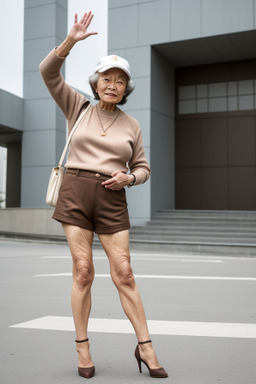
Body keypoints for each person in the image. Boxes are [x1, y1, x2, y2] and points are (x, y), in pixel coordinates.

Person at [39, 11, 168, 380]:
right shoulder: (77, 107)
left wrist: (129, 177)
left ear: (126, 89)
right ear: (95, 83)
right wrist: (71, 41)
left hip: (113, 198)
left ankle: (145, 346)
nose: (112, 84)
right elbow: (48, 72)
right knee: (83, 272)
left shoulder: (132, 125)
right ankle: (83, 349)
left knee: (124, 273)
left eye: (120, 80)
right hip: (76, 191)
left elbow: (143, 168)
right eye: (106, 78)